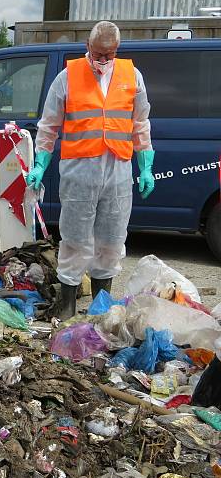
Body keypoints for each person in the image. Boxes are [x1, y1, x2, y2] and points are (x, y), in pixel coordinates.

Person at [27, 20, 155, 318]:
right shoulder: (67, 77)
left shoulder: (131, 76)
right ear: (88, 47)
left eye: (108, 55)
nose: (102, 61)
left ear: (116, 51)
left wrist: (146, 165)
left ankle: (101, 306)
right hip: (79, 169)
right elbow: (49, 126)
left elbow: (141, 123)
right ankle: (68, 303)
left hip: (118, 170)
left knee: (112, 238)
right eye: (97, 54)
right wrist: (40, 163)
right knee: (75, 237)